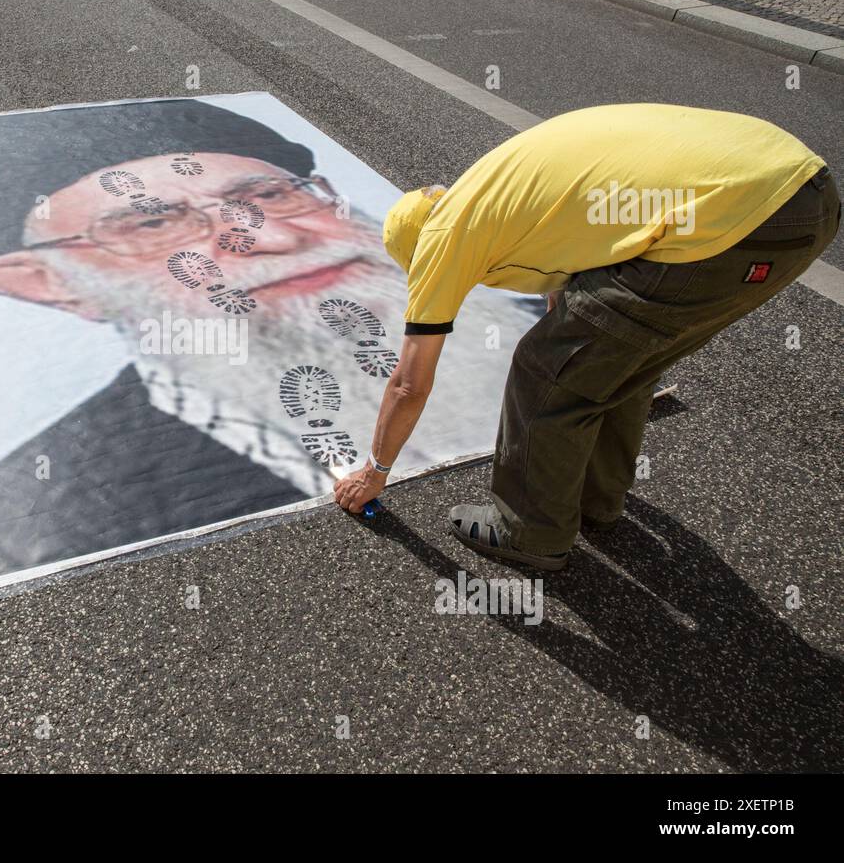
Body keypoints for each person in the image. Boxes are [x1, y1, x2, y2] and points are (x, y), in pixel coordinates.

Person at [0, 99, 536, 584]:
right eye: (154, 223)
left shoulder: (559, 320)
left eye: (272, 195)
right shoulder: (42, 520)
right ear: (46, 281)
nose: (275, 238)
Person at [333, 103, 838, 571]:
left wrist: (374, 472)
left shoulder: (444, 236)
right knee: (619, 352)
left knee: (545, 370)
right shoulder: (497, 189)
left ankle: (528, 531)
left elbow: (409, 383)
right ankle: (596, 499)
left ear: (420, 253)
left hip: (732, 222)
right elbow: (579, 265)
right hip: (802, 190)